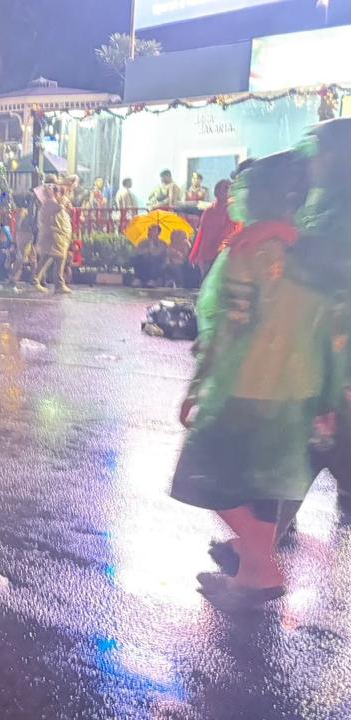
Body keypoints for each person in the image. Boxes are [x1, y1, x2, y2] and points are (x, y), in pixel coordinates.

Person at [171, 138, 337, 606]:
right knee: (265, 480)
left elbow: (230, 326)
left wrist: (200, 383)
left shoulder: (249, 249)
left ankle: (262, 564)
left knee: (202, 473)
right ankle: (253, 572)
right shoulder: (315, 253)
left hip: (247, 383)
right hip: (298, 388)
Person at [189, 180, 241, 273]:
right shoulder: (208, 212)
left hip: (224, 257)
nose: (228, 190)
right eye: (225, 188)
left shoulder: (234, 211)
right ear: (217, 192)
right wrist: (194, 255)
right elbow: (201, 234)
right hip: (207, 256)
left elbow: (236, 233)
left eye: (230, 188)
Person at [32, 182, 73, 294]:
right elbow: (59, 208)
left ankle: (42, 281)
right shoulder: (50, 203)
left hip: (56, 237)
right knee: (56, 259)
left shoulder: (49, 203)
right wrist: (64, 202)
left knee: (49, 259)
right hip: (53, 237)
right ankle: (56, 284)